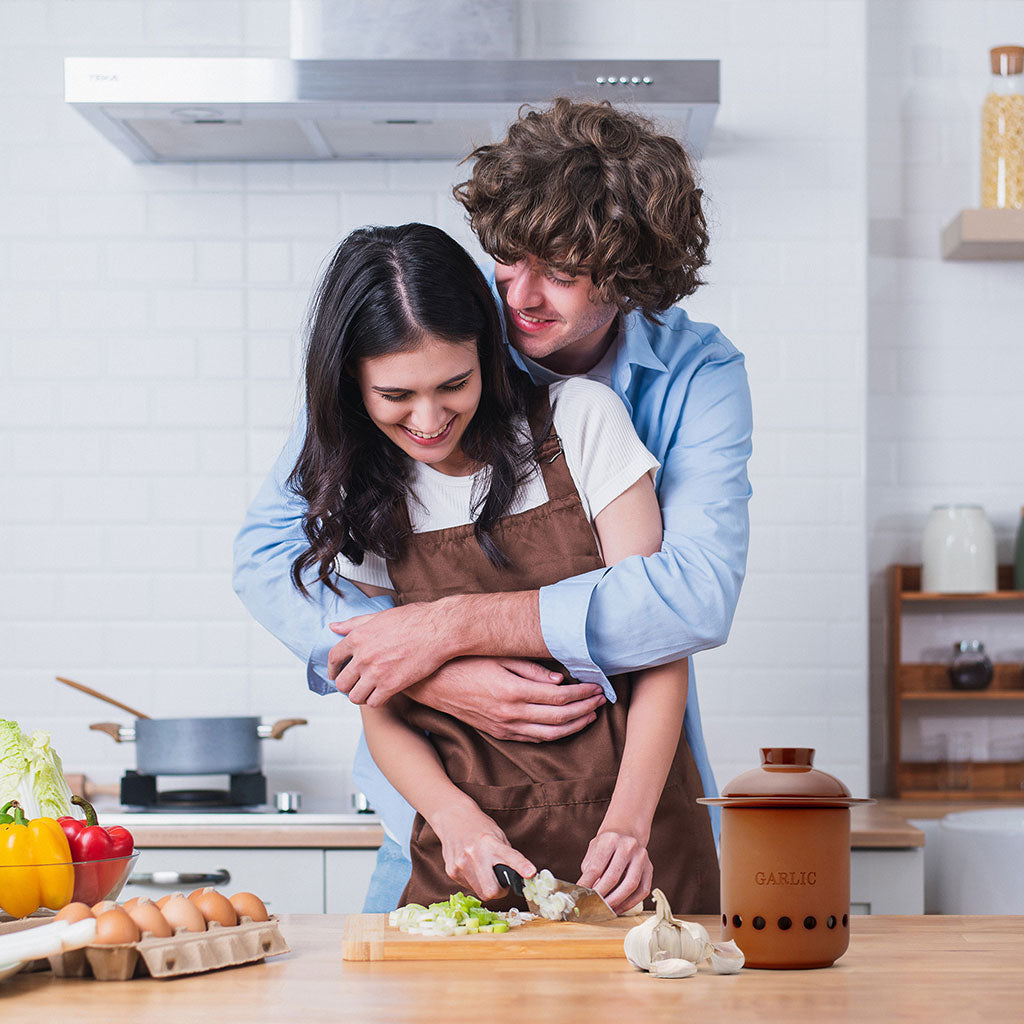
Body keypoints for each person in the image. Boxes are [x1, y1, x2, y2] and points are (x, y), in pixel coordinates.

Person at [233, 98, 752, 911]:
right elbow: (271, 557)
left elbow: (684, 604)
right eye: (508, 259)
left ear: (630, 275)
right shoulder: (424, 336)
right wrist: (413, 675)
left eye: (565, 272)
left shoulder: (662, 390)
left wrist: (443, 630)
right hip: (441, 829)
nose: (521, 296)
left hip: (629, 816)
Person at [287, 222, 716, 912]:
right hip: (469, 863)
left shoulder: (583, 421)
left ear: (487, 351)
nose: (429, 419)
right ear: (351, 387)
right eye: (395, 397)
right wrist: (456, 822)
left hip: (634, 850)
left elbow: (660, 644)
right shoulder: (363, 491)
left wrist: (631, 823)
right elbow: (381, 700)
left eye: (453, 383)